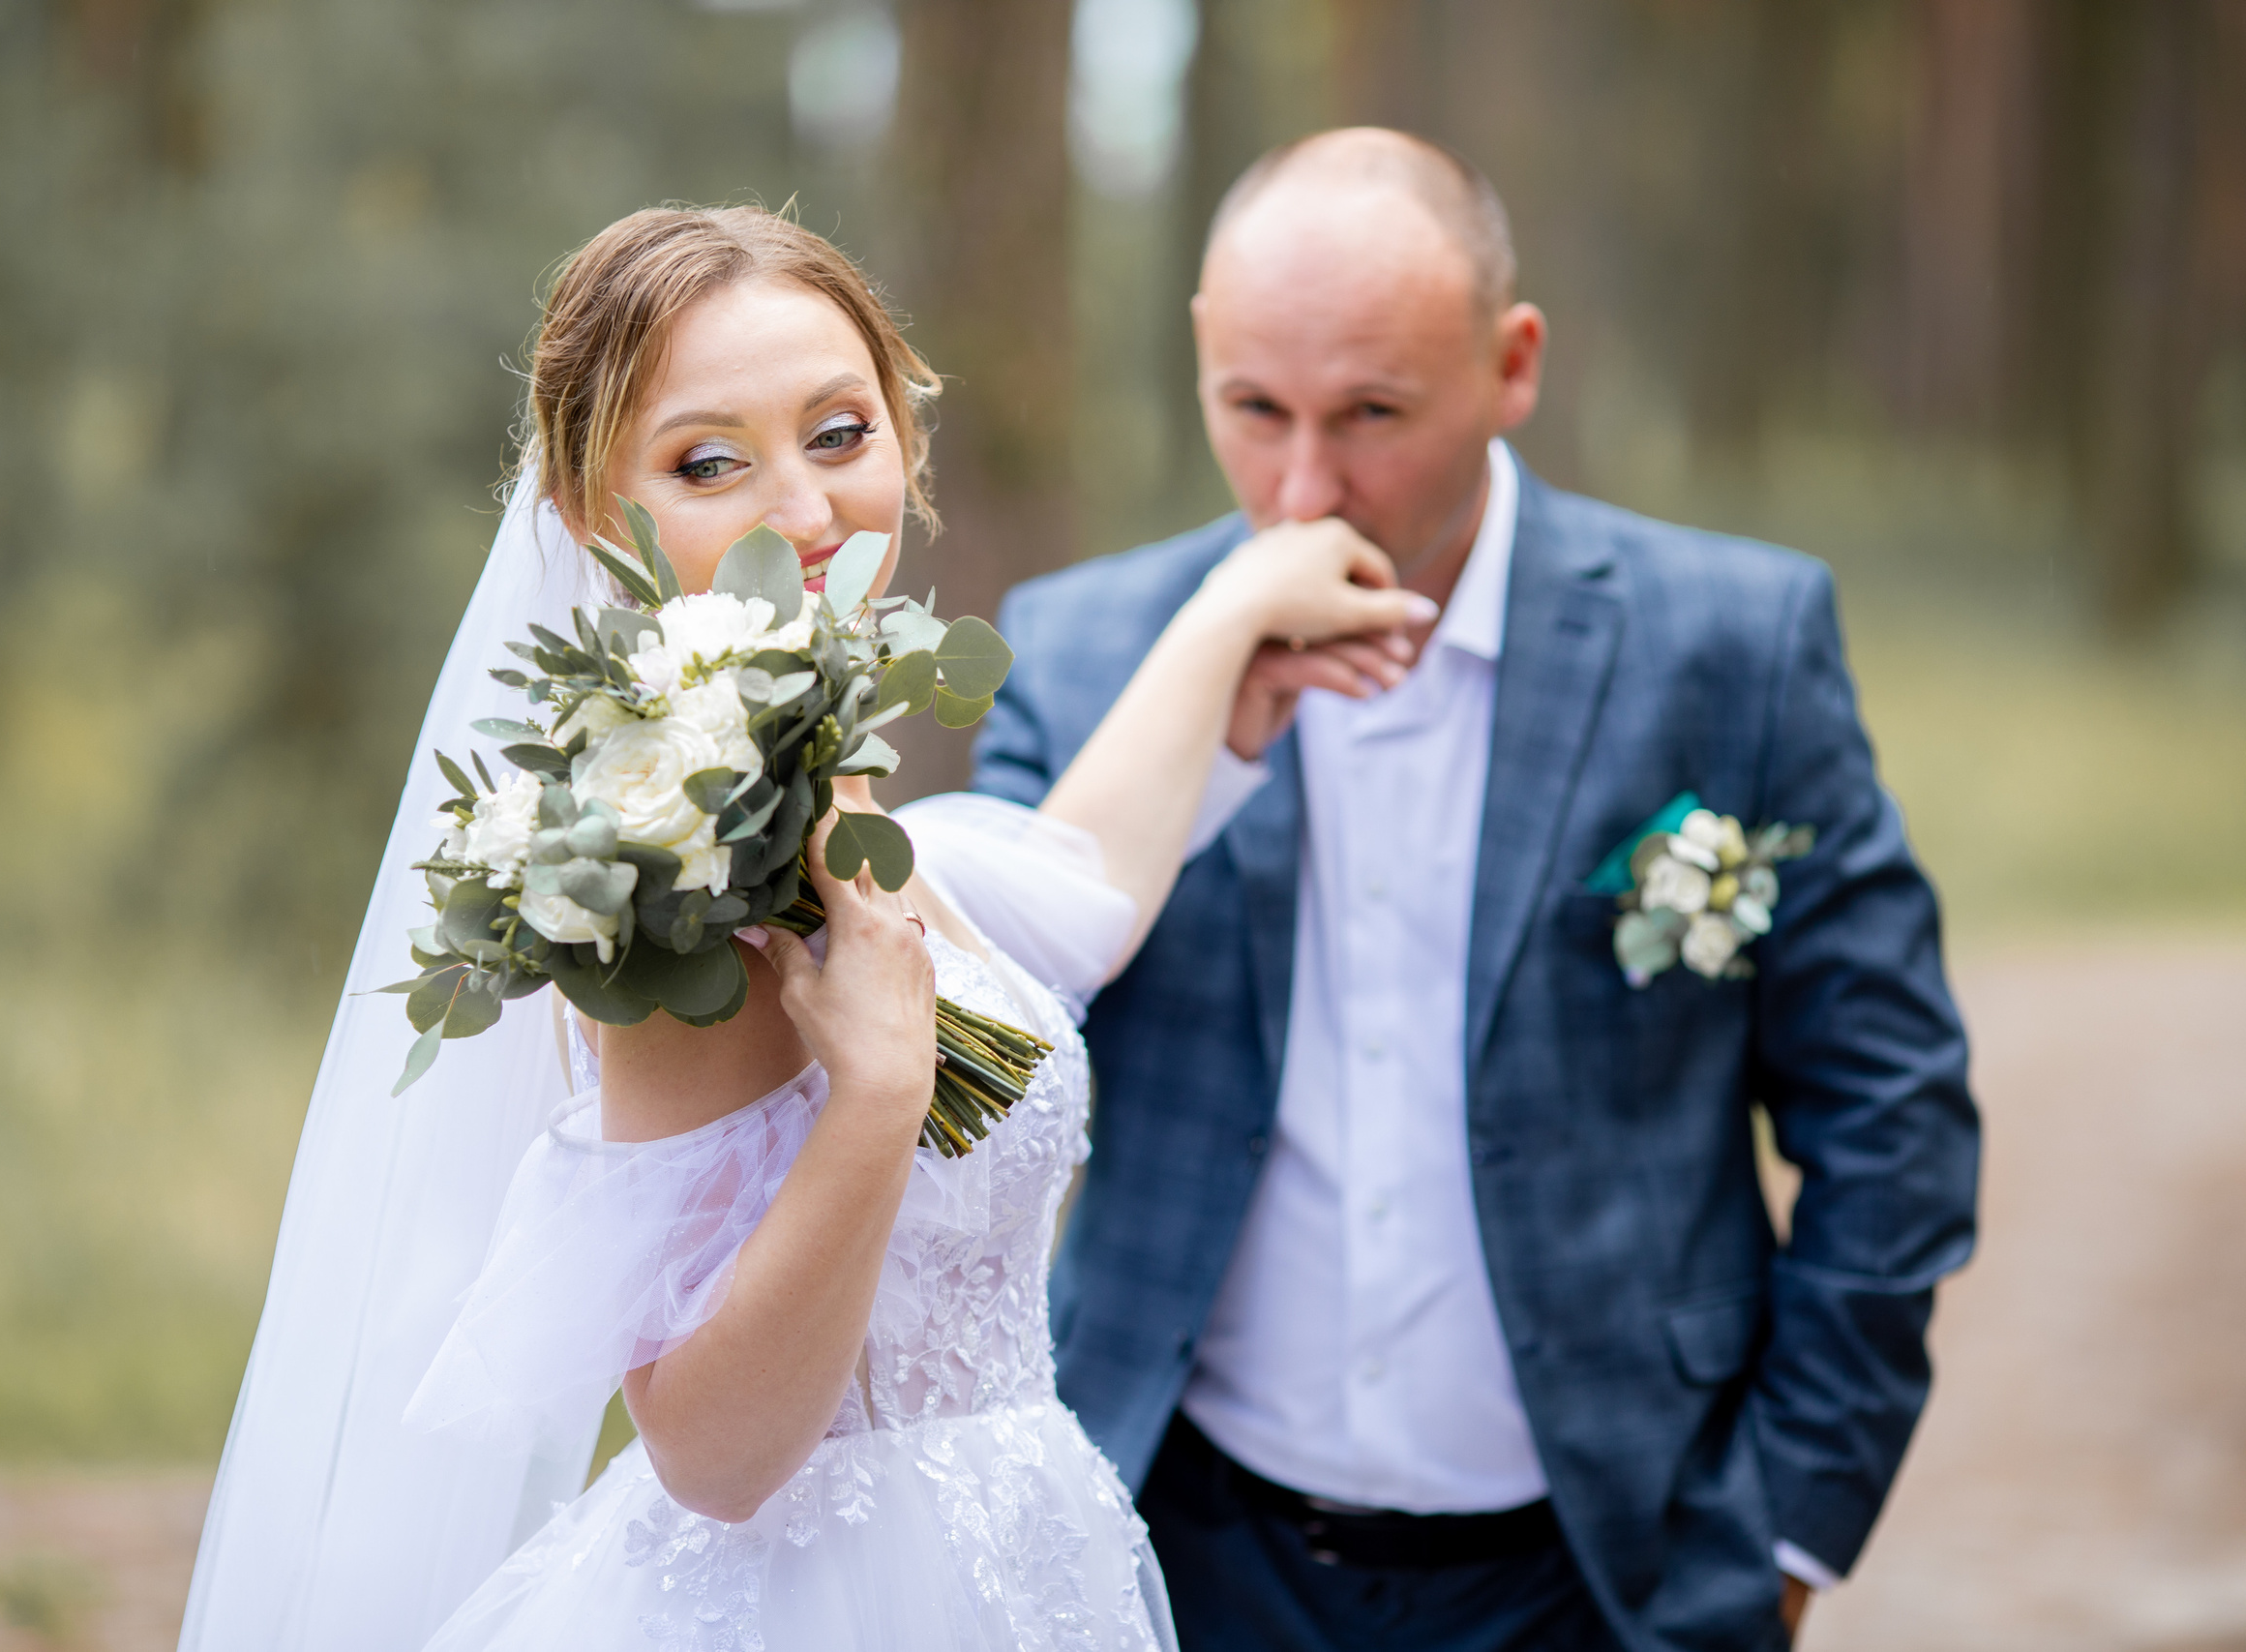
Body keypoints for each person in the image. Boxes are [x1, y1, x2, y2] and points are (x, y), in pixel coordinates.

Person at [178, 204, 1424, 1651]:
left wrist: (1233, 619)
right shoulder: (670, 866)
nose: (807, 510)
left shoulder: (829, 788)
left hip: (1017, 1568)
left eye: (841, 434)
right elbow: (710, 1452)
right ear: (596, 514)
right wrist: (881, 1098)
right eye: (712, 462)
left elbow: (1068, 892)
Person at [975, 129, 1983, 1652]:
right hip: (1180, 1554)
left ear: (1512, 366)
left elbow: (1891, 1114)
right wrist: (1209, 734)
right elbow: (965, 1081)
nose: (1306, 483)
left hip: (1611, 1572)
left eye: (1373, 413)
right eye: (1254, 408)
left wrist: (1784, 1531)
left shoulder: (1734, 644)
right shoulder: (1077, 653)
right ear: (1200, 356)